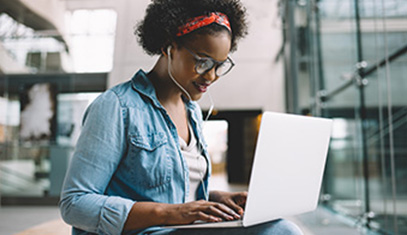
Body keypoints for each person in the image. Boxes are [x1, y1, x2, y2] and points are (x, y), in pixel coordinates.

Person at [59, 0, 303, 234]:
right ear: (169, 47)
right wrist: (168, 213)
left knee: (279, 226)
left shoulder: (191, 111)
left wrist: (216, 199)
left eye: (220, 65)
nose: (211, 76)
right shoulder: (116, 107)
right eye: (202, 62)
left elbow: (174, 191)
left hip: (183, 230)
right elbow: (75, 204)